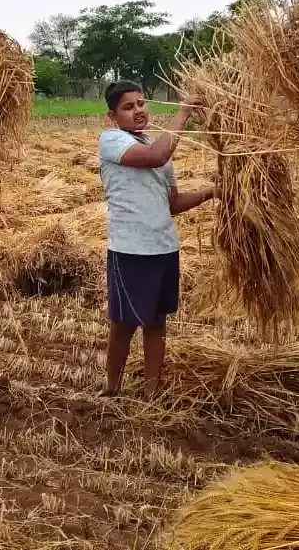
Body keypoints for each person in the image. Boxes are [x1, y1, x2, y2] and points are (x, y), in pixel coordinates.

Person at [97, 81, 216, 398]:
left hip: (164, 248)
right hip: (130, 250)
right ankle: (111, 389)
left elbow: (173, 204)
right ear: (113, 115)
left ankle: (152, 394)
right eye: (128, 107)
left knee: (156, 323)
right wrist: (183, 114)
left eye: (141, 104)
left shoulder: (156, 147)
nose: (138, 111)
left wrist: (213, 191)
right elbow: (156, 155)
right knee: (123, 323)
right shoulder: (112, 141)